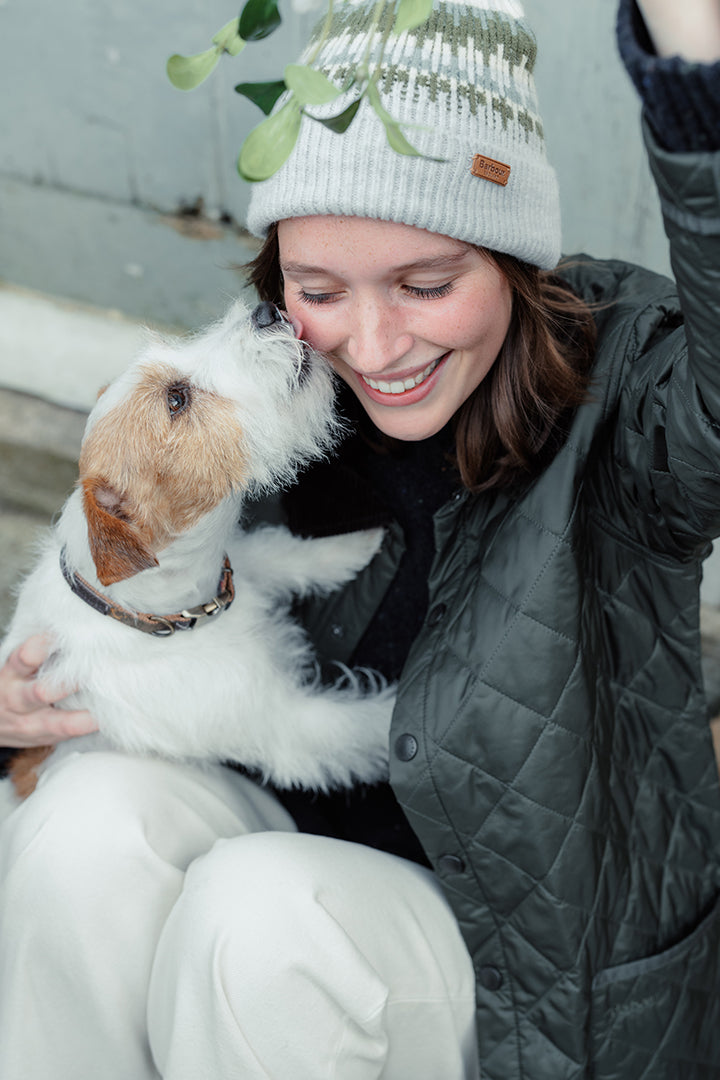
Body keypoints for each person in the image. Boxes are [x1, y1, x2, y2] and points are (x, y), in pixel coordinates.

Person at [0, 0, 719, 1075]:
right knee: (79, 827)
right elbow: (135, 575)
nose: (375, 347)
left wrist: (693, 56)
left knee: (261, 918)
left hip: (519, 973)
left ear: (516, 263)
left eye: (427, 286)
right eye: (321, 288)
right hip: (279, 850)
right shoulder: (278, 391)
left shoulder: (629, 395)